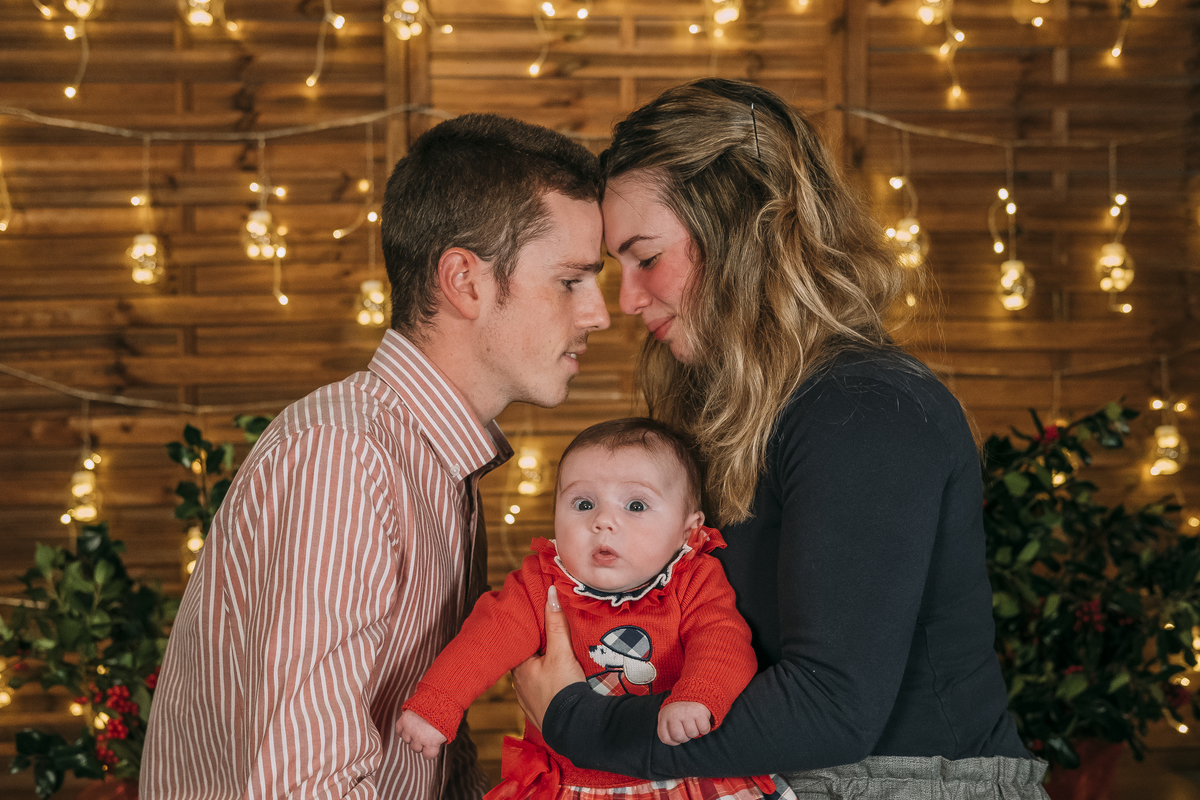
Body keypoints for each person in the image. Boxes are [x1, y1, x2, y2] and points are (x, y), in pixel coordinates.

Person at [511, 79, 1050, 799]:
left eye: (647, 257)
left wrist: (581, 722)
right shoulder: (746, 411)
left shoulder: (867, 409)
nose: (628, 302)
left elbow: (830, 708)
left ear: (744, 230)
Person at [140, 113, 610, 800]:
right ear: (465, 281)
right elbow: (305, 788)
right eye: (571, 280)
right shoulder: (345, 460)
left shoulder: (436, 458)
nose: (599, 313)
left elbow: (428, 761)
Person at [395, 417, 798, 800]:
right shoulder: (541, 582)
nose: (603, 521)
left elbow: (722, 641)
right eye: (584, 503)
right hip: (573, 783)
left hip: (681, 773)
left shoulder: (694, 579)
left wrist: (699, 696)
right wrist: (438, 703)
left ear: (688, 530)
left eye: (635, 506)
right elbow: (487, 638)